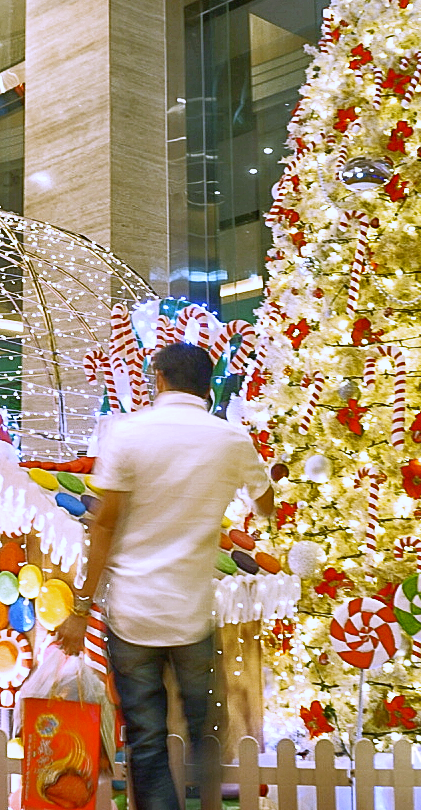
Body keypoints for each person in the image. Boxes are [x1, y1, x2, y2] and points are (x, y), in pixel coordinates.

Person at [57, 343, 273, 810]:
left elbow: (104, 526)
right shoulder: (232, 440)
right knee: (204, 733)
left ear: (158, 379)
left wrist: (80, 607)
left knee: (148, 740)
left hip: (134, 613)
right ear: (208, 385)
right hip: (192, 613)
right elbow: (265, 501)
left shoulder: (129, 434)